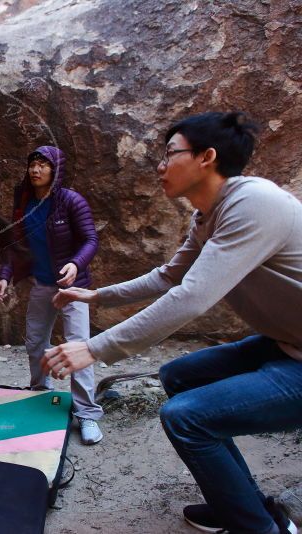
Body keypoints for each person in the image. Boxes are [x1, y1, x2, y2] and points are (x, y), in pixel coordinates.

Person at [43, 112, 301, 534]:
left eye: (169, 154)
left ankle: (258, 527)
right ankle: (239, 503)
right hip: (286, 344)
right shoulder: (208, 216)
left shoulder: (254, 204)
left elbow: (192, 297)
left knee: (186, 417)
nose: (161, 166)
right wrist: (98, 294)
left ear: (207, 157)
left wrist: (93, 347)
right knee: (179, 375)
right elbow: (169, 275)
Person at [0, 146, 104, 445]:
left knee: (78, 346)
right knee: (35, 341)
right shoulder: (25, 202)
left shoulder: (70, 200)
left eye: (43, 164)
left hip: (72, 287)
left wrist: (75, 263)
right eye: (32, 163)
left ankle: (86, 414)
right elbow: (16, 245)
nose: (36, 169)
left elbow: (90, 239)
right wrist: (6, 276)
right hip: (42, 284)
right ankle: (39, 393)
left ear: (55, 169)